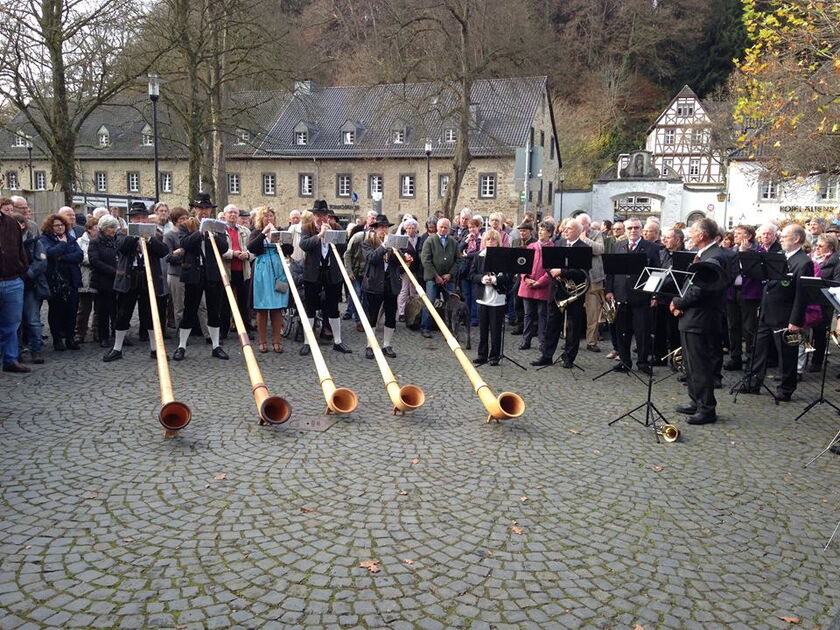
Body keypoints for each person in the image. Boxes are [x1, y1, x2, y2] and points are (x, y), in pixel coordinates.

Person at [744, 223, 814, 401]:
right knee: (759, 349)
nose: (781, 239)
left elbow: (802, 294)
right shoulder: (779, 257)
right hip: (768, 311)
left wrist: (796, 320)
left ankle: (786, 387)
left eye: (785, 236)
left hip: (785, 315)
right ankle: (753, 381)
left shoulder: (803, 262)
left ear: (797, 239)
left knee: (786, 353)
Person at [670, 219, 730, 425]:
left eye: (693, 232)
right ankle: (696, 401)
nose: (690, 236)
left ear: (703, 235)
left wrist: (678, 302)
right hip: (693, 317)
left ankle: (706, 408)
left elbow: (700, 289)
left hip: (701, 318)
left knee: (699, 365)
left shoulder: (713, 257)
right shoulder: (707, 255)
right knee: (690, 363)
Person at [103, 202, 169, 362]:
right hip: (129, 277)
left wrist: (150, 239)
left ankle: (155, 349)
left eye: (143, 218)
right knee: (123, 314)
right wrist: (135, 236)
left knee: (151, 315)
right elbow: (121, 247)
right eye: (136, 218)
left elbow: (163, 251)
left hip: (149, 278)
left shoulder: (156, 234)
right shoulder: (123, 233)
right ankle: (117, 348)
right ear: (131, 219)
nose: (140, 220)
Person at [173, 194, 230, 361]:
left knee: (214, 311)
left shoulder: (218, 226)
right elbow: (184, 244)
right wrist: (201, 232)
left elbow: (224, 247)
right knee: (189, 310)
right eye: (200, 208)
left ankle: (216, 346)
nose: (203, 211)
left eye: (206, 208)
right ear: (195, 209)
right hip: (193, 273)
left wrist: (216, 235)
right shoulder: (186, 225)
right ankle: (181, 346)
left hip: (212, 272)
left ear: (210, 210)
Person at [604, 217, 660, 374]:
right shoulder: (618, 246)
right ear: (626, 230)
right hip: (621, 294)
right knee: (622, 331)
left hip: (642, 296)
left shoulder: (651, 248)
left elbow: (657, 273)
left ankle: (643, 362)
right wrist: (609, 290)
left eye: (636, 228)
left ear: (641, 230)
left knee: (642, 331)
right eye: (630, 228)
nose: (633, 231)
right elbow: (611, 271)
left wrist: (655, 295)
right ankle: (624, 361)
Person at [531, 219, 588, 368]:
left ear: (577, 231)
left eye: (569, 229)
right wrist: (553, 272)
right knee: (552, 324)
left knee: (573, 326)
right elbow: (549, 264)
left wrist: (562, 271)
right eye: (565, 229)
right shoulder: (559, 244)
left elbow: (583, 273)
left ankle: (569, 358)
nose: (565, 231)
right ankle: (546, 355)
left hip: (574, 292)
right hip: (556, 290)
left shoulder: (584, 248)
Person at [298, 200, 352, 355]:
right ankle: (308, 342)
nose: (321, 218)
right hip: (312, 273)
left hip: (331, 272)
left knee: (333, 307)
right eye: (318, 215)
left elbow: (343, 248)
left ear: (328, 216)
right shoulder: (307, 228)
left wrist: (332, 236)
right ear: (314, 216)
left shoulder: (336, 227)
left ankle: (338, 341)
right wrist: (320, 235)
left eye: (324, 215)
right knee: (310, 308)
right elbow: (304, 245)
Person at [247, 206, 288, 353]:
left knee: (277, 307)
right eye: (266, 216)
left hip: (278, 269)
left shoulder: (279, 231)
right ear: (260, 219)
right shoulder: (256, 232)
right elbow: (251, 247)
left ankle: (277, 340)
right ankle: (262, 341)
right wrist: (264, 234)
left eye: (271, 216)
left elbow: (289, 250)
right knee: (262, 307)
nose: (269, 219)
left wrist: (282, 241)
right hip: (262, 270)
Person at [40, 212, 83, 352]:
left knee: (72, 310)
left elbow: (79, 255)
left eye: (62, 225)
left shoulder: (71, 238)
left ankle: (70, 337)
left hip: (71, 279)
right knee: (56, 311)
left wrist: (62, 257)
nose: (60, 228)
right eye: (56, 226)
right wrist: (63, 245)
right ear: (50, 227)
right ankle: (57, 339)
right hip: (55, 280)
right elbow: (50, 253)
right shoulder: (45, 239)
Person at [361, 214, 401, 358]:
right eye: (381, 227)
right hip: (374, 283)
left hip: (391, 283)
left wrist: (404, 258)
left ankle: (387, 345)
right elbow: (371, 259)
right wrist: (384, 246)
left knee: (391, 315)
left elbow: (397, 262)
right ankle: (370, 345)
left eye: (385, 227)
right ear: (375, 229)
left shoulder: (393, 243)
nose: (384, 230)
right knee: (372, 315)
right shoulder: (367, 243)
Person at [471, 229, 512, 366]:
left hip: (497, 298)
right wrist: (482, 279)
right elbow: (472, 275)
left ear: (498, 242)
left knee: (495, 329)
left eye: (493, 239)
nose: (490, 242)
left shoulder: (504, 257)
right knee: (483, 328)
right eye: (488, 239)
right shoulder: (478, 256)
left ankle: (494, 356)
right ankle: (482, 354)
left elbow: (508, 278)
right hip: (482, 297)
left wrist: (495, 280)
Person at [725, 225, 761, 371]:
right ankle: (735, 357)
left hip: (749, 293)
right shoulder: (731, 250)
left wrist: (744, 254)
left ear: (749, 236)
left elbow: (753, 271)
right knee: (733, 326)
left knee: (749, 327)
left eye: (739, 233)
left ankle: (751, 358)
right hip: (732, 292)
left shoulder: (757, 251)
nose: (736, 235)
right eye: (735, 233)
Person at [1, 198, 30, 372]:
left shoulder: (11, 223)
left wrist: (22, 271)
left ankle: (10, 360)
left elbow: (20, 249)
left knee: (11, 324)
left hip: (12, 279)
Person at [419, 217, 460, 339]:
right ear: (437, 227)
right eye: (441, 227)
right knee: (430, 301)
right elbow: (425, 260)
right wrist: (435, 276)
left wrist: (450, 274)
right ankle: (425, 327)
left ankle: (451, 328)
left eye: (445, 227)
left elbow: (459, 260)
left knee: (451, 303)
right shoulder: (430, 241)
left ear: (449, 229)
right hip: (432, 278)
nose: (443, 229)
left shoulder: (454, 242)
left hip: (449, 278)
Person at [518, 222, 554, 354]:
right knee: (528, 315)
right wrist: (526, 277)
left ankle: (542, 341)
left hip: (543, 287)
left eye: (543, 230)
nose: (540, 232)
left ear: (550, 233)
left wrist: (540, 282)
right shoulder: (531, 247)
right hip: (528, 286)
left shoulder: (552, 248)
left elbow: (550, 270)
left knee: (542, 315)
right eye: (539, 230)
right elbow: (522, 264)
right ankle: (526, 340)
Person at [18, 212, 49, 365]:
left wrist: (27, 275)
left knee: (33, 320)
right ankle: (15, 351)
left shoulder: (34, 241)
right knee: (15, 322)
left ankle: (35, 349)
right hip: (13, 283)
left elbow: (41, 262)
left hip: (30, 285)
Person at [220, 204, 254, 340]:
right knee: (225, 303)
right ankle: (223, 330)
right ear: (225, 215)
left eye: (235, 213)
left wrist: (248, 254)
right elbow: (219, 250)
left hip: (243, 270)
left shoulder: (245, 231)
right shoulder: (220, 231)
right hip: (227, 271)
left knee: (243, 302)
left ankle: (245, 329)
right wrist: (233, 253)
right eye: (230, 213)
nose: (233, 215)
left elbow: (252, 249)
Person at [88, 215, 120, 348]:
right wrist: (114, 271)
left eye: (115, 227)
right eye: (111, 227)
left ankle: (118, 334)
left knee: (117, 310)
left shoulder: (117, 240)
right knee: (103, 311)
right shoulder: (95, 242)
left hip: (118, 281)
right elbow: (94, 261)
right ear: (103, 228)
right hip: (103, 281)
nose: (113, 230)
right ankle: (104, 337)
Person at [576, 213, 606, 352]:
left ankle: (591, 341)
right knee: (572, 310)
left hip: (594, 278)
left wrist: (585, 239)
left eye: (584, 225)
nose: (582, 227)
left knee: (593, 311)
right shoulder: (572, 233)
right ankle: (571, 339)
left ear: (588, 225)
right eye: (579, 225)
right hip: (576, 277)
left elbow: (599, 249)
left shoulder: (597, 234)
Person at [74, 217, 99, 344]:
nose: (98, 230)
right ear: (89, 229)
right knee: (84, 308)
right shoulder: (80, 241)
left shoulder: (101, 241)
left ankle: (97, 331)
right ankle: (80, 332)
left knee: (99, 308)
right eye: (96, 228)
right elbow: (80, 257)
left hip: (99, 277)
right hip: (85, 277)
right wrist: (95, 260)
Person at [458, 217, 483, 327]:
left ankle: (474, 318)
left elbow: (480, 253)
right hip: (465, 270)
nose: (471, 229)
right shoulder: (466, 238)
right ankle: (465, 317)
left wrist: (468, 255)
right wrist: (466, 241)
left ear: (478, 227)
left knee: (474, 295)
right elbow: (458, 249)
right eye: (469, 227)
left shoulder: (481, 239)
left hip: (475, 270)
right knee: (466, 295)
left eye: (473, 227)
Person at [397, 218, 422, 322]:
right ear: (405, 229)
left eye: (413, 228)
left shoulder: (419, 239)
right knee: (404, 290)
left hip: (416, 268)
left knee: (413, 290)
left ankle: (413, 311)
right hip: (405, 268)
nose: (411, 230)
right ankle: (402, 312)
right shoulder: (402, 239)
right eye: (409, 228)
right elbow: (399, 253)